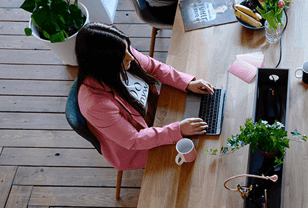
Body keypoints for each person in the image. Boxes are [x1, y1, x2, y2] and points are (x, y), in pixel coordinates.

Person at [76, 23, 215, 171]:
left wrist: (187, 83)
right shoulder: (96, 105)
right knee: (201, 161)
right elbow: (134, 140)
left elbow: (155, 68)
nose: (131, 57)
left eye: (127, 49)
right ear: (103, 64)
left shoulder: (121, 53)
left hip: (156, 114)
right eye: (122, 56)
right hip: (137, 146)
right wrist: (178, 129)